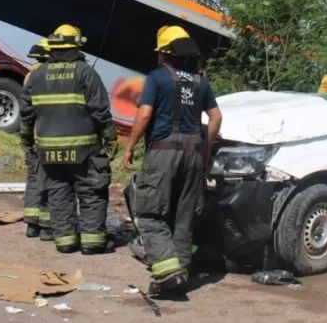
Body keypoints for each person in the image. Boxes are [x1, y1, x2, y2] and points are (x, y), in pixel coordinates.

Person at [123, 25, 223, 298]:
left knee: (151, 215)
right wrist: (204, 150)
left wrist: (129, 147)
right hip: (192, 155)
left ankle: (168, 273)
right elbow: (216, 118)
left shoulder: (156, 78)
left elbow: (144, 115)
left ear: (165, 54)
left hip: (163, 153)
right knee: (184, 216)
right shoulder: (201, 82)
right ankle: (179, 276)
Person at [20, 24, 117, 255]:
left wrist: (26, 141)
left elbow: (27, 113)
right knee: (92, 192)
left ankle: (65, 242)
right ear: (76, 45)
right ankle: (92, 242)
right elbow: (100, 111)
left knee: (59, 194)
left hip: (48, 150)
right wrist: (110, 139)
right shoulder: (85, 72)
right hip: (84, 149)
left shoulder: (37, 75)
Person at [22, 38, 53, 241]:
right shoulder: (49, 77)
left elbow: (27, 111)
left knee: (33, 180)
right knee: (49, 182)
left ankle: (31, 226)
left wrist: (25, 139)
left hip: (32, 138)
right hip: (47, 138)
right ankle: (46, 227)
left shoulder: (29, 76)